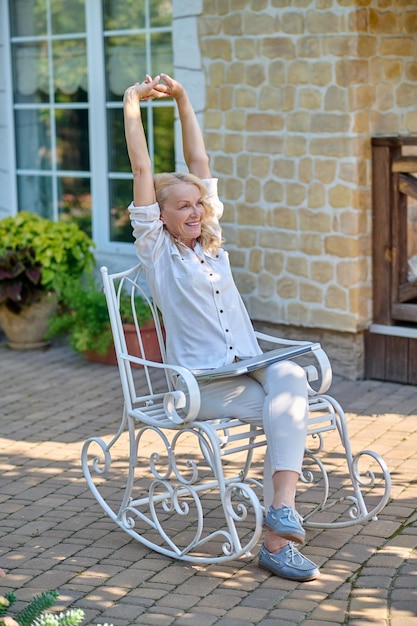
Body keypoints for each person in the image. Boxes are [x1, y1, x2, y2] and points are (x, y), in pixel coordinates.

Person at [123, 73, 320, 582]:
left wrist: (184, 99)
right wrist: (131, 104)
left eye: (198, 203)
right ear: (159, 216)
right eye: (182, 205)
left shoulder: (210, 243)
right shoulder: (158, 254)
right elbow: (142, 165)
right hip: (202, 385)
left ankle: (279, 517)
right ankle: (277, 540)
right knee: (288, 415)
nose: (194, 211)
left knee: (293, 380)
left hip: (248, 365)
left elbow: (200, 163)